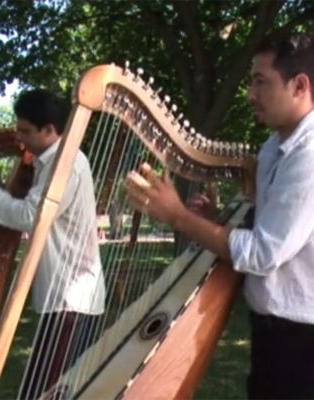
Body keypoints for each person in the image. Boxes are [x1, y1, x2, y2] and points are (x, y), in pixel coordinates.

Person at [126, 33, 314, 400]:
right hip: (274, 335)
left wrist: (179, 217)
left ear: (300, 85)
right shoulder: (274, 148)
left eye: (261, 82)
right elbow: (270, 223)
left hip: (302, 342)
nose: (249, 94)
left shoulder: (308, 157)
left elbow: (264, 253)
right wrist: (213, 221)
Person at [0, 89, 105, 399]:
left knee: (46, 391)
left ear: (50, 130)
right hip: (63, 296)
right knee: (48, 389)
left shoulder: (67, 165)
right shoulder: (47, 163)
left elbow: (29, 217)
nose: (19, 139)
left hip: (71, 299)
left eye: (26, 131)